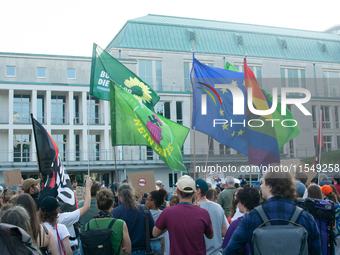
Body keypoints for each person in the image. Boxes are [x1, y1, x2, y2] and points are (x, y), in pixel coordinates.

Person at [224, 171, 321, 255]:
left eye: (262, 183)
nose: (260, 186)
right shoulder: (306, 217)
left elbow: (229, 250)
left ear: (270, 187)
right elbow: (316, 251)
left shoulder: (251, 217)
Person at [152, 175, 214, 255]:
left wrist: (169, 223)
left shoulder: (168, 212)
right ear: (194, 192)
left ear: (177, 191)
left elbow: (155, 233)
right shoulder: (203, 213)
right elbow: (210, 235)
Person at [112, 183, 154, 255]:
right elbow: (152, 231)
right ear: (133, 194)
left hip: (124, 251)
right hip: (143, 250)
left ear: (119, 197)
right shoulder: (144, 209)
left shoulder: (114, 212)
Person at [85, 188, 131, 255]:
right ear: (112, 204)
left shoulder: (88, 225)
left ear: (97, 204)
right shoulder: (120, 224)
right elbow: (128, 251)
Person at [58, 177, 92, 254]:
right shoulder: (64, 218)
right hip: (72, 250)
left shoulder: (56, 218)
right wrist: (88, 187)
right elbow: (86, 207)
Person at [222, 187, 260, 254]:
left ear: (243, 203)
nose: (237, 204)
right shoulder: (263, 220)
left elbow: (227, 249)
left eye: (238, 201)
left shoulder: (236, 224)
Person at [196, 178, 227, 255]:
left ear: (198, 191)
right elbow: (224, 232)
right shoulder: (218, 207)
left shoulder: (194, 208)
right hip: (217, 252)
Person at [145, 188, 167, 255]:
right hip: (160, 243)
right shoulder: (163, 214)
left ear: (152, 202)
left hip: (147, 244)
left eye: (147, 199)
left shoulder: (144, 213)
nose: (145, 201)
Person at [320, 184, 340, 254]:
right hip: (338, 232)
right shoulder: (336, 202)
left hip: (334, 232)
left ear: (324, 194)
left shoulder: (326, 204)